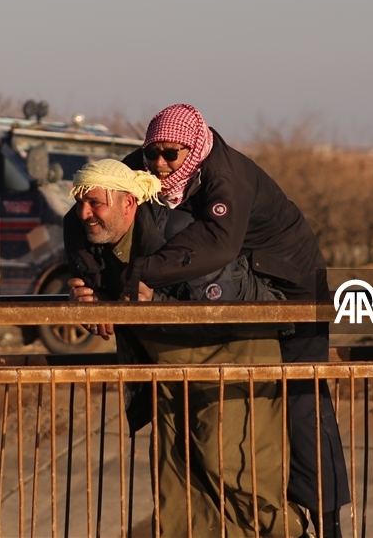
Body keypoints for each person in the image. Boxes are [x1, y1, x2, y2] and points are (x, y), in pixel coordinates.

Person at [121, 103, 350, 537]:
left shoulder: (227, 175)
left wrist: (143, 272)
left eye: (172, 154)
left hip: (293, 289)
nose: (160, 164)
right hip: (245, 291)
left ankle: (325, 518)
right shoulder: (148, 163)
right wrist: (86, 273)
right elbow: (94, 195)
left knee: (303, 403)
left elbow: (219, 245)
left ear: (194, 148)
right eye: (153, 154)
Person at [62, 159, 298, 538]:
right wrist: (88, 298)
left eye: (95, 202)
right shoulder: (93, 245)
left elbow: (220, 309)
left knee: (236, 469)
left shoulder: (181, 235)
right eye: (80, 203)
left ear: (128, 204)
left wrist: (149, 302)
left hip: (234, 354)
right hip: (170, 370)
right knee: (180, 492)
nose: (84, 213)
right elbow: (98, 288)